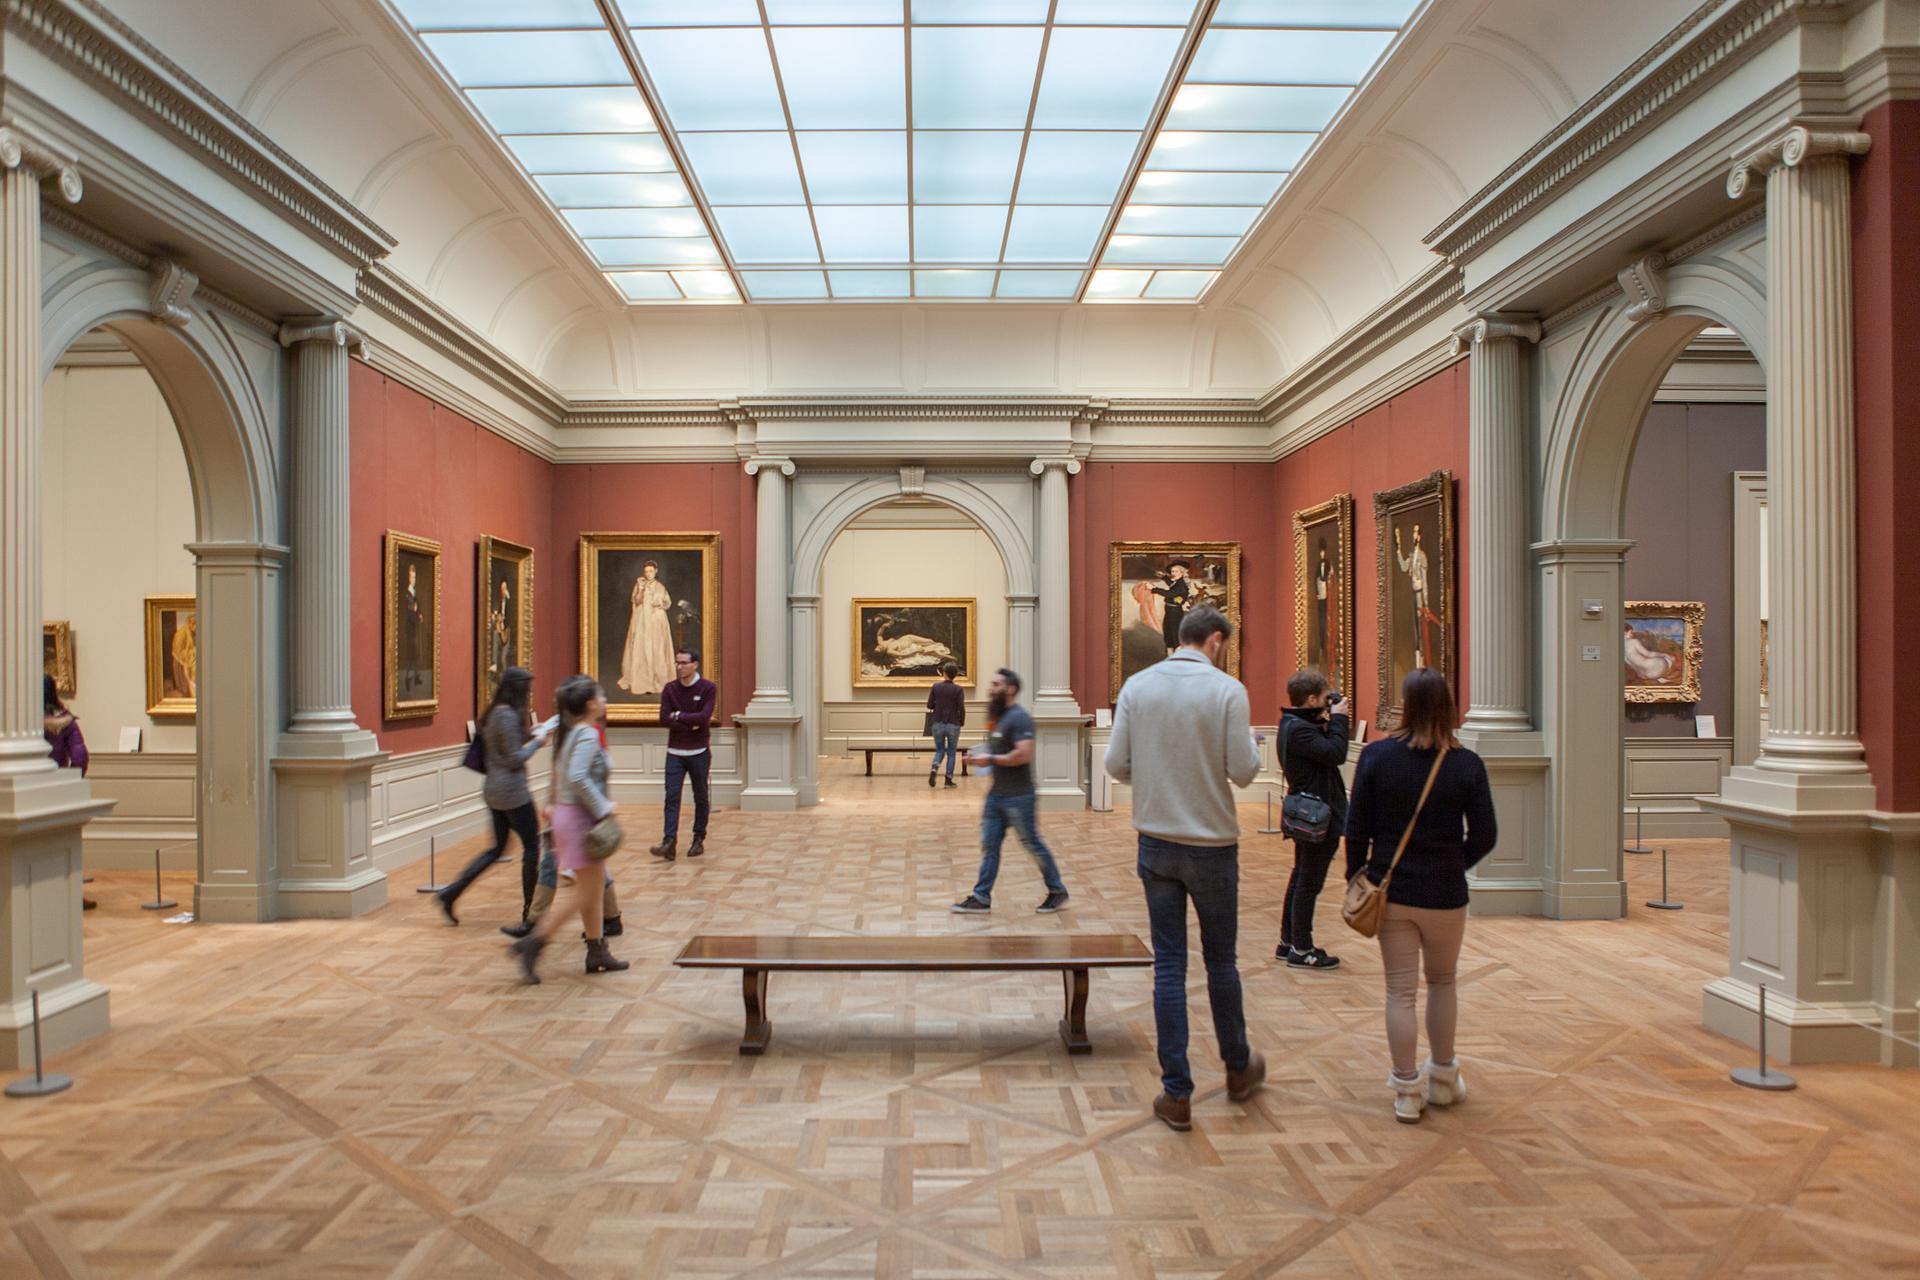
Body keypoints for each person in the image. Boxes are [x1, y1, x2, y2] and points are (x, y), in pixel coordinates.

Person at [1104, 606, 1264, 1131]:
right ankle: (1238, 1068)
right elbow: (1243, 772)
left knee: (1169, 967)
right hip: (1213, 844)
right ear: (1216, 640)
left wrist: (1155, 776)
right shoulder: (1226, 691)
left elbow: (1115, 765)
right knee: (1221, 963)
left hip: (1156, 842)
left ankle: (1176, 1094)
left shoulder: (1139, 686)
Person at [1344, 667, 1497, 1124]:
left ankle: (1407, 1089)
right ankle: (1445, 1079)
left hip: (1393, 891)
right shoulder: (1466, 763)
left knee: (1400, 992)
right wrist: (1454, 864)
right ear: (1448, 707)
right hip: (1446, 894)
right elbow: (1486, 835)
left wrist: (1361, 877)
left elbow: (1357, 828)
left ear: (1405, 706)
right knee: (1444, 982)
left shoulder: (1376, 758)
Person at [508, 675, 627, 981]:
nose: (605, 701)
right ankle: (533, 943)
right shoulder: (586, 734)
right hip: (579, 818)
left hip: (570, 815)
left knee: (593, 890)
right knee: (583, 895)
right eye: (601, 697)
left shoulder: (574, 731)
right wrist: (603, 807)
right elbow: (576, 776)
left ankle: (597, 951)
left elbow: (563, 775)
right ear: (590, 704)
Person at [435, 668, 551, 927]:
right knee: (532, 848)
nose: (529, 694)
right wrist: (537, 744)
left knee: (496, 849)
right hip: (512, 792)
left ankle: (451, 893)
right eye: (528, 689)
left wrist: (532, 733)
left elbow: (504, 744)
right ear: (518, 689)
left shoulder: (495, 712)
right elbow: (512, 758)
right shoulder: (507, 715)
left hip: (494, 790)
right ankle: (529, 913)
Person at [951, 668, 1068, 915]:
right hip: (997, 795)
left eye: (996, 684)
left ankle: (1057, 891)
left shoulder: (1020, 718)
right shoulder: (999, 717)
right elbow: (998, 750)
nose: (990, 688)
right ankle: (981, 897)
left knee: (1032, 844)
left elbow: (1022, 755)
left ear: (1010, 689)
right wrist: (983, 757)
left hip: (1019, 796)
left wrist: (989, 759)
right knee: (989, 845)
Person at [1277, 669, 1350, 969]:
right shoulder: (1300, 730)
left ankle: (1287, 942)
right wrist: (1340, 719)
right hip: (1317, 814)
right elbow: (1336, 753)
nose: (1327, 701)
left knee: (1300, 877)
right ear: (1310, 699)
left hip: (1308, 811)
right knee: (1309, 882)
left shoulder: (1293, 723)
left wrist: (1327, 716)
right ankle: (1302, 947)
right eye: (1323, 697)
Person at [650, 647, 715, 861]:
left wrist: (679, 716)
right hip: (675, 752)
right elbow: (664, 719)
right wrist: (688, 720)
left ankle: (698, 838)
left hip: (699, 752)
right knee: (671, 796)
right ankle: (669, 841)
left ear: (695, 664)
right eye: (677, 662)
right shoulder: (670, 689)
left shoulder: (707, 688)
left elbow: (704, 717)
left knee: (701, 797)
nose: (679, 667)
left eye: (684, 663)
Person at [45, 675, 93, 909]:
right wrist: (73, 781)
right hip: (58, 788)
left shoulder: (19, 725)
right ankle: (70, 892)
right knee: (65, 843)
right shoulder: (65, 722)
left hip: (28, 788)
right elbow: (80, 756)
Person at [618, 561, 677, 697]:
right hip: (643, 621)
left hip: (656, 620)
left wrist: (660, 603)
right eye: (646, 571)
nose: (648, 574)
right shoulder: (640, 585)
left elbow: (667, 603)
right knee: (642, 647)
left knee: (656, 647)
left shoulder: (660, 587)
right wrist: (641, 588)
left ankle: (657, 680)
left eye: (651, 571)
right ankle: (643, 680)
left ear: (656, 571)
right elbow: (637, 601)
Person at [1394, 523, 1433, 668]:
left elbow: (1425, 581)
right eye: (1413, 532)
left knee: (1421, 628)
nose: (1414, 535)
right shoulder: (1411, 555)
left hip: (1420, 595)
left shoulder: (1422, 556)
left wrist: (1426, 604)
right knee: (1415, 628)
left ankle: (1422, 662)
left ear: (1420, 536)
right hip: (1412, 594)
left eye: (1416, 532)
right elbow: (1404, 567)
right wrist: (1398, 549)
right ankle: (1417, 661)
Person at [926, 661, 965, 789]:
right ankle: (948, 781)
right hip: (953, 723)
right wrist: (962, 721)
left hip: (937, 722)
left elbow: (929, 705)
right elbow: (961, 708)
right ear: (955, 675)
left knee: (940, 750)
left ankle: (935, 766)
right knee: (952, 753)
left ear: (944, 673)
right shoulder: (958, 689)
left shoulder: (936, 687)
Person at [1149, 561, 1193, 656]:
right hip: (1170, 611)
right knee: (1168, 631)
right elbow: (1171, 584)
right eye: (1172, 571)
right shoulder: (1177, 582)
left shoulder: (1182, 586)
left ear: (1182, 573)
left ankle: (1177, 654)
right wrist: (1163, 577)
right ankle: (1170, 652)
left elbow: (1169, 593)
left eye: (1176, 571)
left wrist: (1154, 589)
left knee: (1174, 633)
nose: (1173, 573)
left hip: (1175, 612)